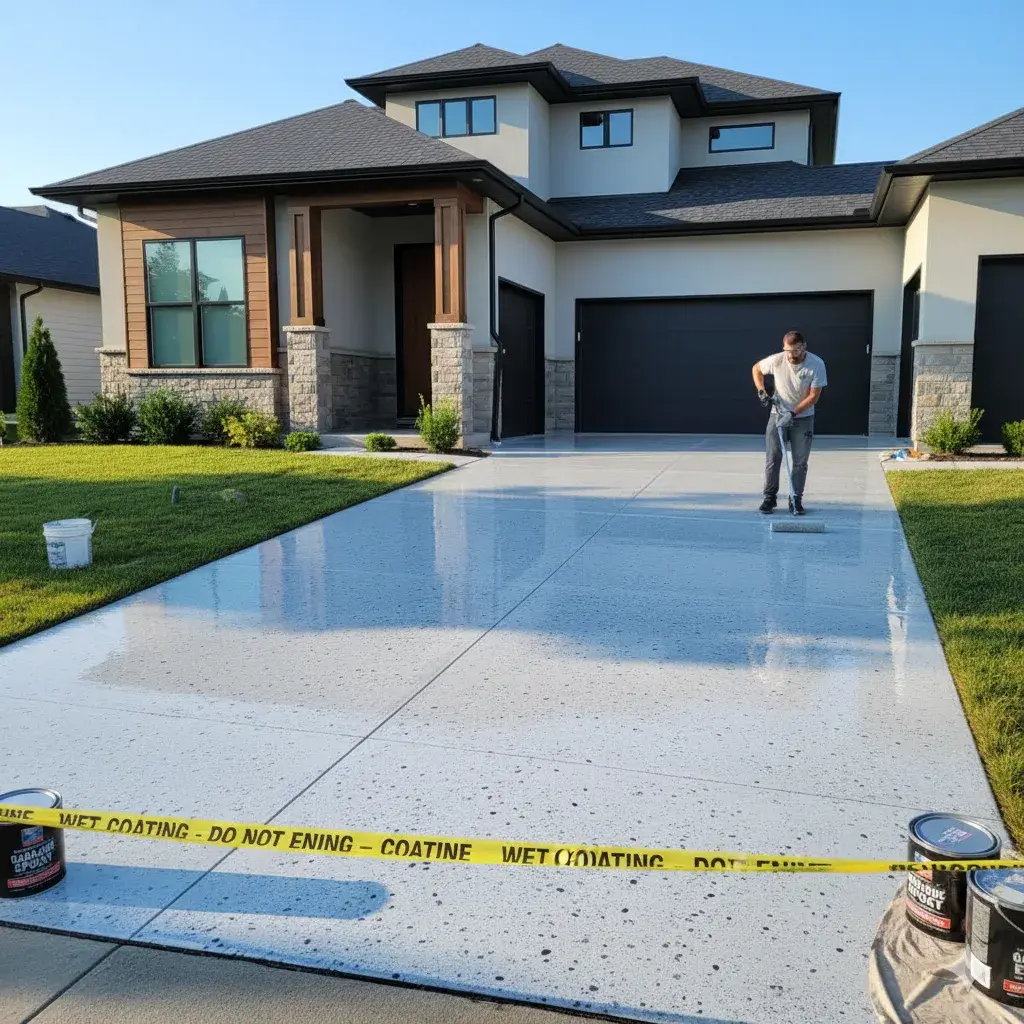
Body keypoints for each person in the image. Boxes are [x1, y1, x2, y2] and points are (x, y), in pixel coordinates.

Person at [751, 331, 827, 515]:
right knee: (773, 458)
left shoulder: (816, 364)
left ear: (804, 347)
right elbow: (756, 369)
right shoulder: (777, 360)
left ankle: (795, 499)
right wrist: (762, 391)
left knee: (800, 461)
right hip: (777, 415)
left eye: (795, 350)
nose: (791, 355)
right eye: (787, 350)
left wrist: (793, 413)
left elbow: (813, 397)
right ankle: (769, 498)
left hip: (803, 418)